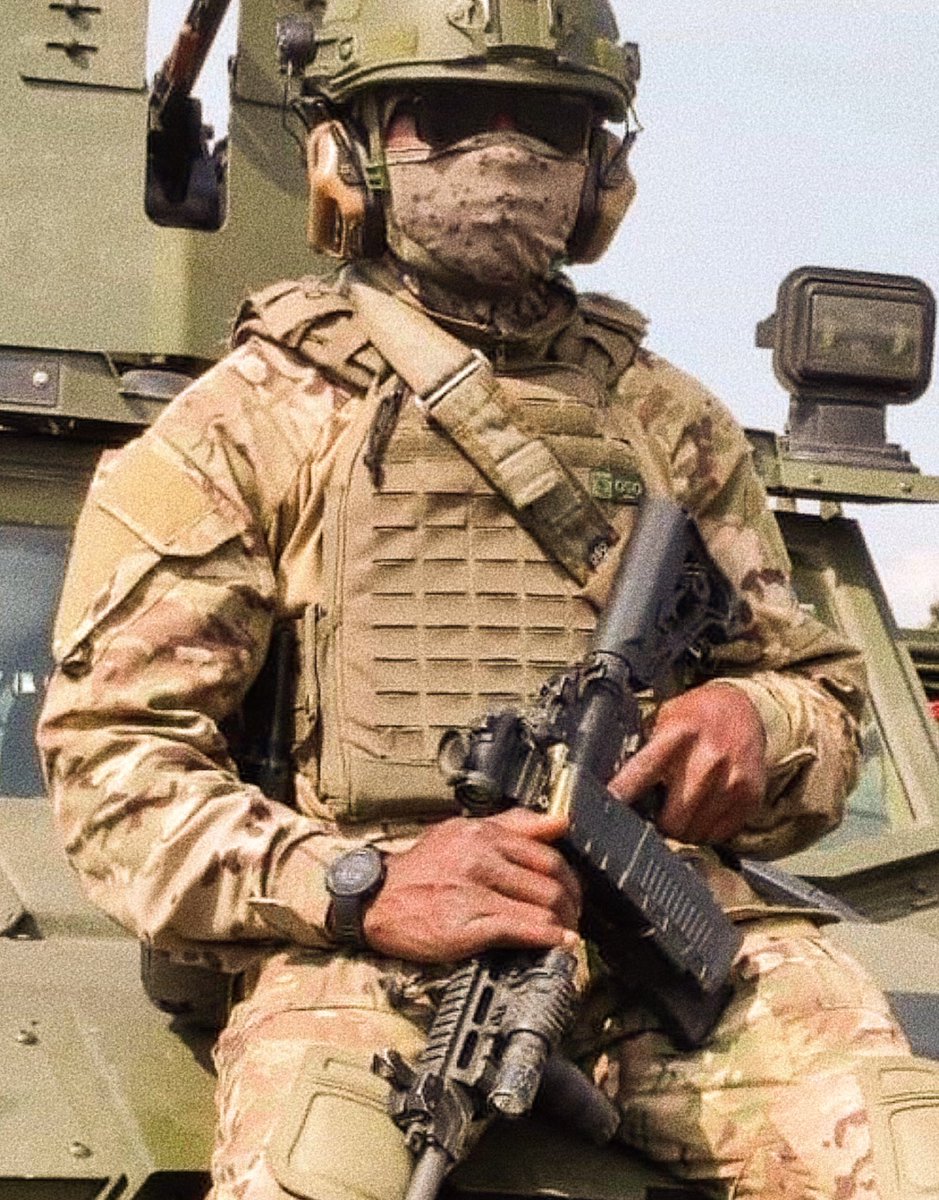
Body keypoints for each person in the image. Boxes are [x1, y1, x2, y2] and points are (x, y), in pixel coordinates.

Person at [38, 0, 915, 1196]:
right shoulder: (241, 426)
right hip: (371, 956)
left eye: (548, 122)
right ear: (349, 155)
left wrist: (757, 727)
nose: (501, 156)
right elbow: (112, 766)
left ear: (602, 169)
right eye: (445, 117)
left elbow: (824, 697)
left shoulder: (674, 424)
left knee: (907, 1143)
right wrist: (364, 885)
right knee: (321, 1174)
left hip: (672, 944)